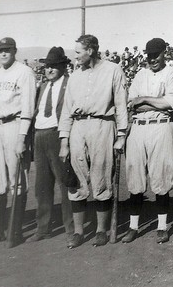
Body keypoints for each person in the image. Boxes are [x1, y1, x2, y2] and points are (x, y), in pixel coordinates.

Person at [58, 34, 128, 248]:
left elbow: (121, 103)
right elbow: (67, 110)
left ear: (90, 50)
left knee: (101, 177)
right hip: (78, 127)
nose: (75, 56)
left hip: (103, 125)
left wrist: (122, 134)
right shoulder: (75, 76)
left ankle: (101, 230)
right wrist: (64, 140)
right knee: (76, 181)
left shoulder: (113, 70)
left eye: (78, 52)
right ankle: (79, 232)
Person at [121, 38, 173, 245]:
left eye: (156, 54)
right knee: (135, 177)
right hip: (138, 128)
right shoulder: (140, 74)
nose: (153, 58)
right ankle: (133, 227)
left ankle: (162, 227)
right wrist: (156, 102)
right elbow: (131, 105)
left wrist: (144, 99)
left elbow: (171, 103)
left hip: (161, 126)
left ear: (165, 53)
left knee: (161, 176)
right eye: (149, 54)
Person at [0, 37, 36, 246]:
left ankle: (16, 230)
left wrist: (22, 137)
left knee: (17, 179)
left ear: (15, 51)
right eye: (1, 50)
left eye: (8, 50)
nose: (4, 53)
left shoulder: (24, 72)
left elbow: (28, 107)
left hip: (14, 125)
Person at [25, 47, 75, 246]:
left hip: (57, 135)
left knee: (65, 184)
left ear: (63, 66)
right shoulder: (43, 86)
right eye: (47, 66)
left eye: (54, 66)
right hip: (40, 135)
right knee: (42, 187)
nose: (50, 70)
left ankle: (71, 229)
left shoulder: (69, 85)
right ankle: (42, 228)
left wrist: (66, 140)